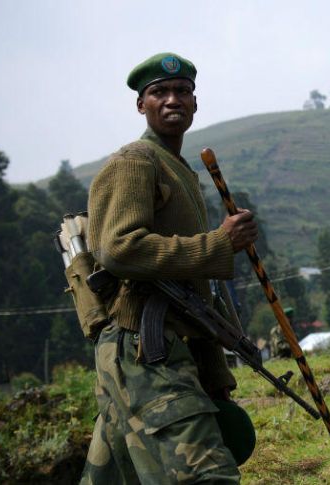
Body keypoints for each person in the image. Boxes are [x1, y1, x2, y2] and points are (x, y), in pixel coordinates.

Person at [81, 52, 259, 484]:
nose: (172, 99)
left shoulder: (178, 170)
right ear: (141, 105)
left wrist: (215, 376)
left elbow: (193, 292)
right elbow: (118, 249)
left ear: (195, 104)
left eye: (183, 92)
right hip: (144, 348)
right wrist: (218, 243)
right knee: (208, 477)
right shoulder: (136, 162)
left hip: (166, 345)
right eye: (159, 92)